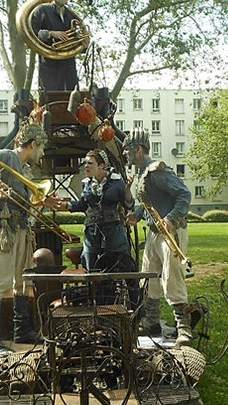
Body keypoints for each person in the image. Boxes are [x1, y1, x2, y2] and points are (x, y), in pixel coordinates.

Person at [0, 118, 55, 356]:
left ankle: (21, 330)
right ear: (33, 143)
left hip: (20, 228)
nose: (43, 153)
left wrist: (42, 200)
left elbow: (22, 202)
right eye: (42, 147)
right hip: (1, 227)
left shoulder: (25, 169)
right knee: (0, 281)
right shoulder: (4, 156)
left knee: (22, 281)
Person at [124, 128, 194, 345]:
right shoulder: (143, 173)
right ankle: (152, 322)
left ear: (138, 150)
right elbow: (148, 203)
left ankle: (184, 328)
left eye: (128, 150)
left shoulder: (157, 170)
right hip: (154, 232)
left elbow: (184, 194)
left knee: (171, 278)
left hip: (170, 232)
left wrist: (172, 218)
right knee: (148, 278)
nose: (126, 154)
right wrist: (136, 215)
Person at [55, 149, 134, 271]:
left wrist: (127, 189)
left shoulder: (116, 181)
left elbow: (128, 204)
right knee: (90, 264)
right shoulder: (86, 183)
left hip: (113, 230)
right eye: (85, 162)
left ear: (101, 166)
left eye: (90, 163)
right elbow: (82, 205)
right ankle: (94, 290)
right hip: (92, 232)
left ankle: (128, 289)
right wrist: (62, 205)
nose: (86, 166)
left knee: (121, 264)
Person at [30, 0, 87, 91]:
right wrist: (51, 33)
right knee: (51, 103)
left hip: (69, 68)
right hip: (50, 69)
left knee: (72, 101)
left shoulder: (71, 15)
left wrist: (83, 45)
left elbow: (74, 41)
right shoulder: (42, 10)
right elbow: (33, 34)